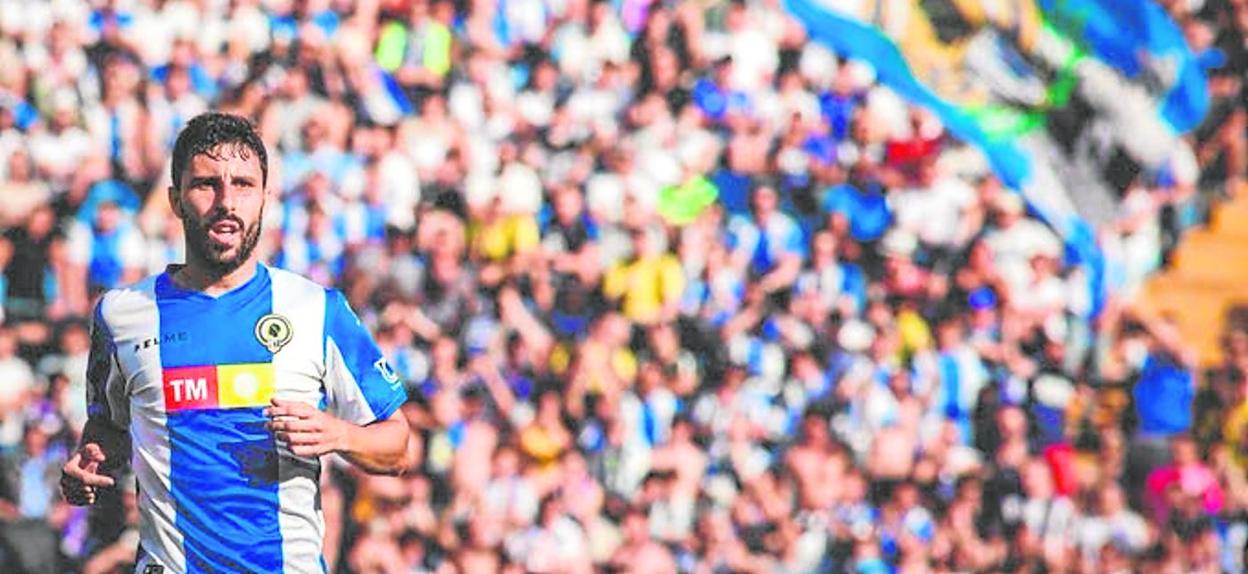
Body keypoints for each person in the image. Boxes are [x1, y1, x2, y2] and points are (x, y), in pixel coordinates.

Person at [58, 113, 413, 573]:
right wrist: (89, 464)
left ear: (266, 198)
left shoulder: (316, 308)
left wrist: (340, 434)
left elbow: (397, 446)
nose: (226, 202)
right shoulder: (121, 314)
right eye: (206, 184)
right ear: (175, 199)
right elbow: (107, 428)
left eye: (243, 185)